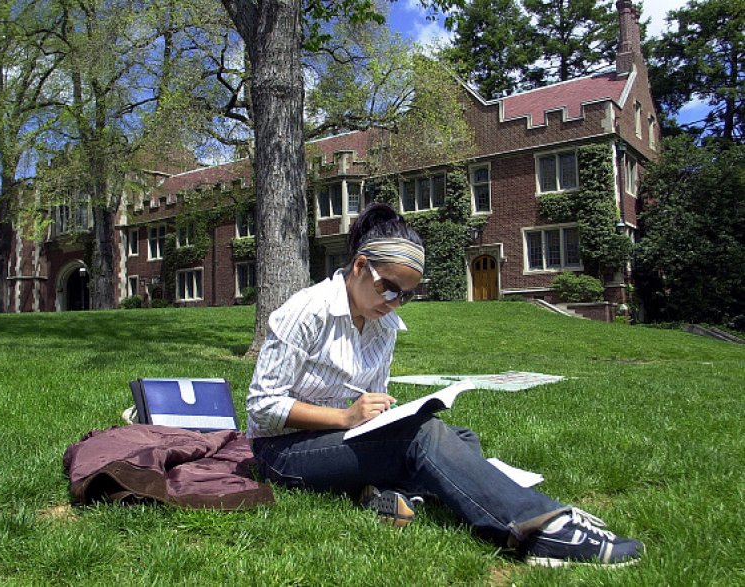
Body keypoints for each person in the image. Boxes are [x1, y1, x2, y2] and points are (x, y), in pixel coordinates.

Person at [246, 203, 643, 567]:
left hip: (335, 442)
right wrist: (346, 416)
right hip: (281, 452)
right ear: (360, 266)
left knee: (459, 437)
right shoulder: (306, 311)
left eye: (407, 295)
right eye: (389, 288)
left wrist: (382, 415)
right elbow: (262, 407)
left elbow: (368, 402)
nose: (395, 302)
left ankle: (398, 496)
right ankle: (536, 528)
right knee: (424, 439)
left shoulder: (384, 324)